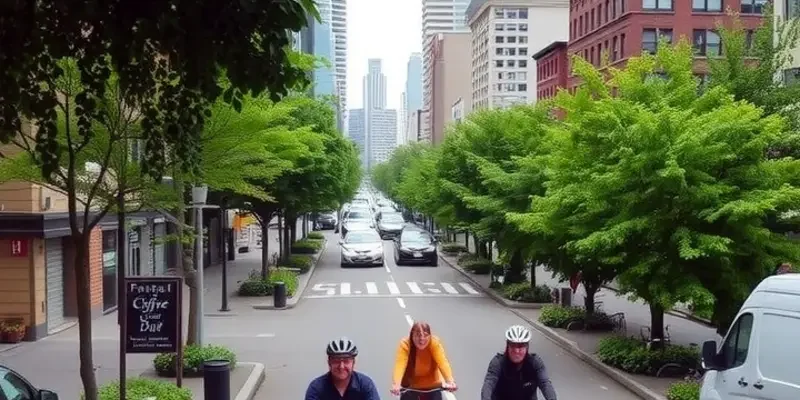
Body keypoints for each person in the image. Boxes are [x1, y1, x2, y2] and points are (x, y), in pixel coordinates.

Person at [480, 325, 557, 400]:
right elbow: (489, 384)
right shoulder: (498, 363)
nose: (516, 351)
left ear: (527, 347)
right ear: (507, 346)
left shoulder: (535, 362)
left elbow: (545, 384)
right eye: (513, 345)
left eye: (520, 346)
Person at [390, 321, 457, 399]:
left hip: (433, 386)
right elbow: (400, 364)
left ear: (430, 336)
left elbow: (443, 362)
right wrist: (396, 384)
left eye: (425, 335)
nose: (422, 339)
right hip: (411, 386)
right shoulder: (405, 344)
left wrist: (450, 381)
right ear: (412, 336)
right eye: (418, 335)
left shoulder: (434, 343)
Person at [305, 337, 381, 400]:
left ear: (353, 363)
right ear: (329, 363)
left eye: (346, 361)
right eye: (336, 361)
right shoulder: (316, 388)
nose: (341, 366)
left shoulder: (365, 385)